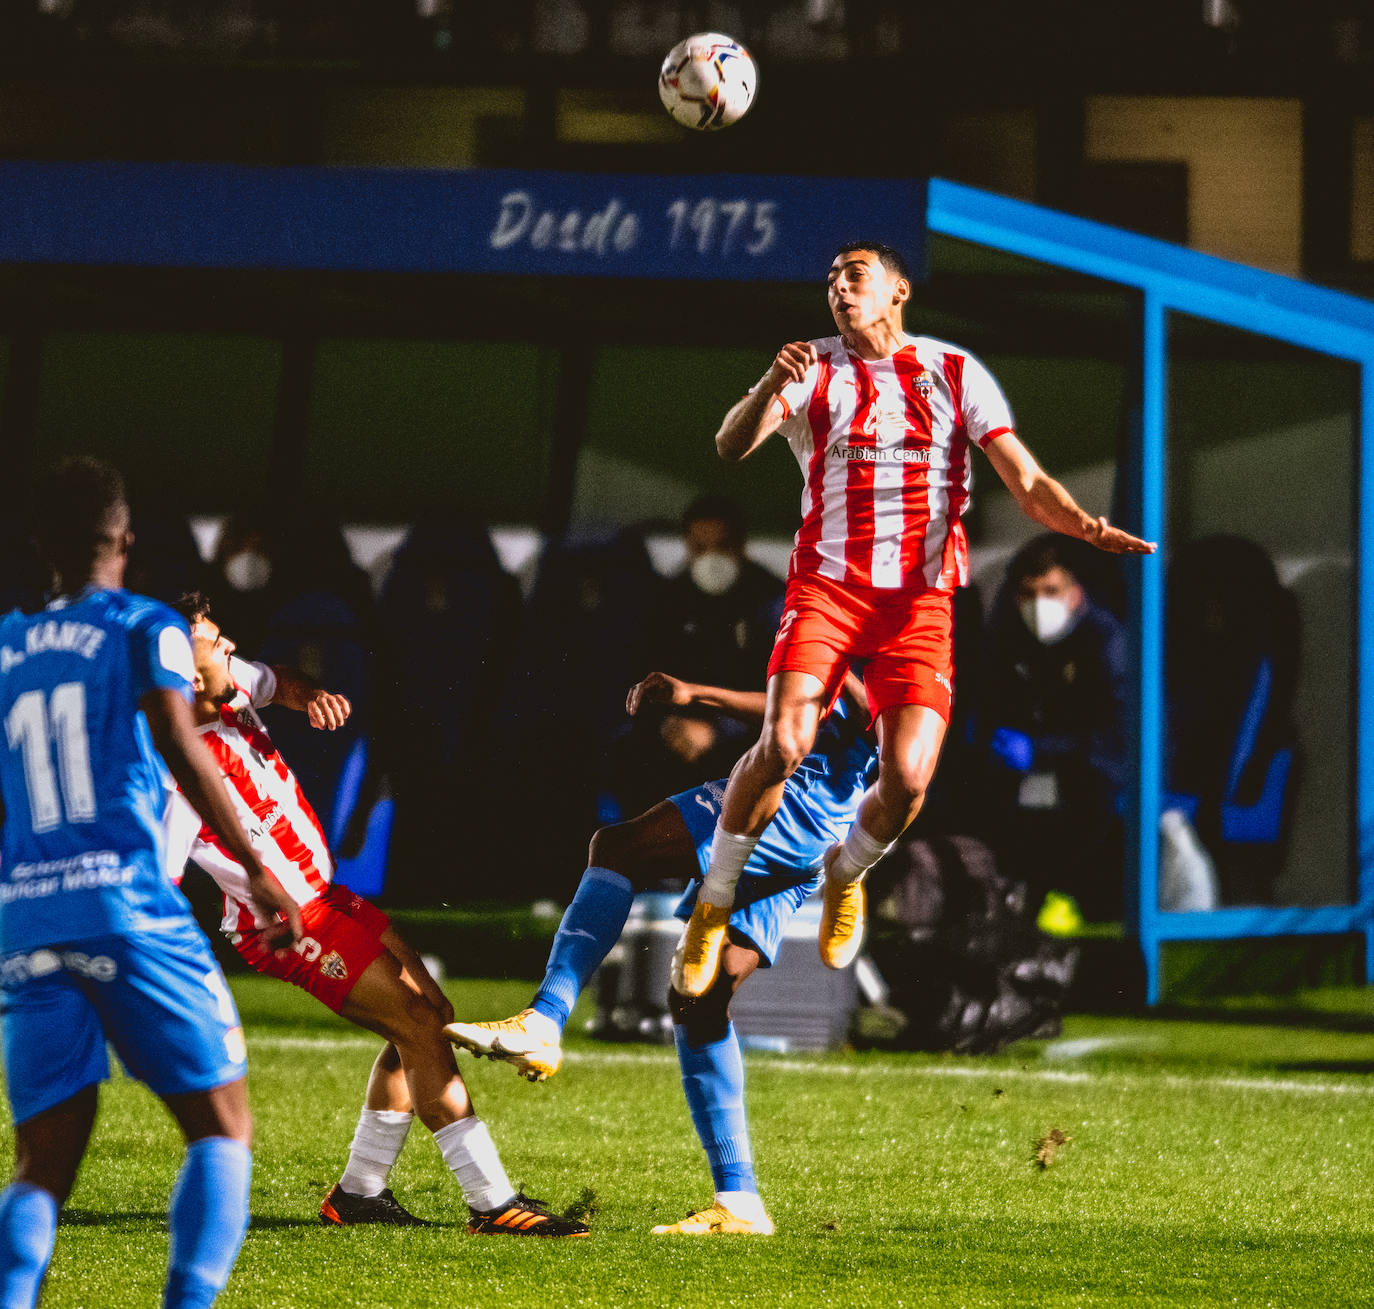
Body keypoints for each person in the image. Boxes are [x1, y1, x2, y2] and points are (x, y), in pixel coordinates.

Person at [674, 240, 1157, 996]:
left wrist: (1082, 526)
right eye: (831, 277)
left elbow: (1025, 480)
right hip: (828, 592)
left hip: (920, 603)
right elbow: (731, 446)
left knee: (907, 775)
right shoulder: (814, 369)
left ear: (898, 290)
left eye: (855, 275)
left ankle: (844, 872)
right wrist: (773, 379)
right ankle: (713, 901)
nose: (839, 287)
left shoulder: (953, 371)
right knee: (785, 741)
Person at [165, 593, 588, 1238]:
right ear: (189, 676)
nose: (230, 649)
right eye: (216, 645)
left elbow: (279, 680)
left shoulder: (230, 685)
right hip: (287, 926)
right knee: (417, 1022)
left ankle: (360, 1193)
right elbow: (162, 878)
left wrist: (309, 699)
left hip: (327, 897)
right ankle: (492, 1201)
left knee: (431, 1018)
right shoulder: (175, 767)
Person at [0, 457, 304, 1309]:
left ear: (38, 543)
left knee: (41, 1166)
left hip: (26, 917)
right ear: (124, 540)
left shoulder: (6, 643)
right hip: (125, 903)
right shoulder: (145, 625)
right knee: (222, 1130)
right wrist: (256, 866)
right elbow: (180, 738)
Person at [446, 668, 876, 1236]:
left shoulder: (877, 609)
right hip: (818, 834)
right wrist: (700, 695)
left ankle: (544, 1018)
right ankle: (739, 1202)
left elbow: (878, 720)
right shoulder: (870, 620)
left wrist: (819, 663)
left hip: (792, 806)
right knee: (699, 1003)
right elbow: (800, 707)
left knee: (619, 847)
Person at [975, 534, 1128, 922]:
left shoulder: (1105, 642)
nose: (1040, 604)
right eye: (1029, 593)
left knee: (1086, 808)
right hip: (1031, 775)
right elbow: (994, 704)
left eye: (1051, 590)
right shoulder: (1010, 640)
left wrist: (1042, 749)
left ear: (1075, 594)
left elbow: (1116, 736)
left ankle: (1074, 908)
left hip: (1093, 772)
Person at [610, 494, 784, 818]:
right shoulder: (668, 598)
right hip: (673, 732)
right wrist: (667, 725)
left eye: (722, 547)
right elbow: (641, 671)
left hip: (742, 738)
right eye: (700, 549)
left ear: (741, 546)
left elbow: (781, 695)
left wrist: (718, 730)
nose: (711, 559)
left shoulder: (771, 601)